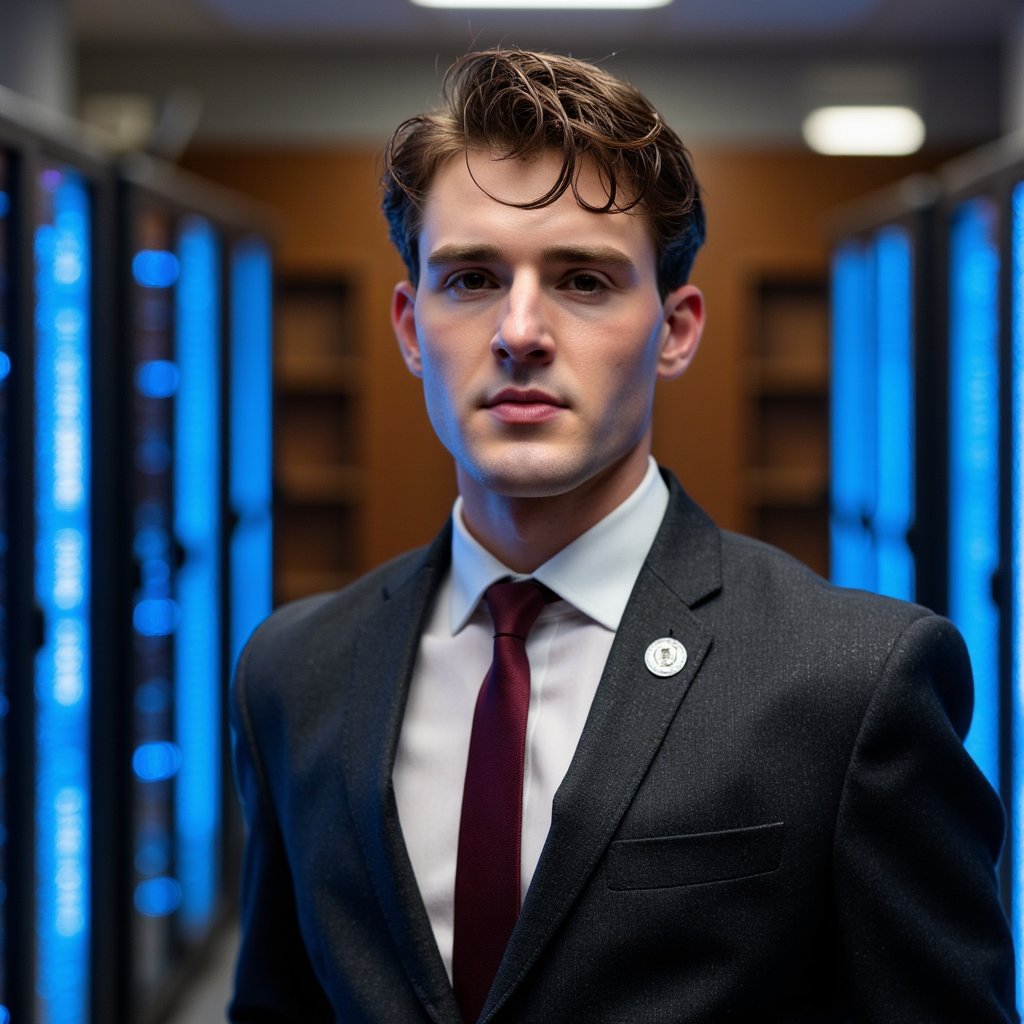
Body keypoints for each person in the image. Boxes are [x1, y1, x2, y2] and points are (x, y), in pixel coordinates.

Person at [227, 48, 1017, 1023]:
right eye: (470, 278)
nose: (519, 330)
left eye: (583, 280)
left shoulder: (850, 685)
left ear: (676, 328)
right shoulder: (292, 673)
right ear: (407, 324)